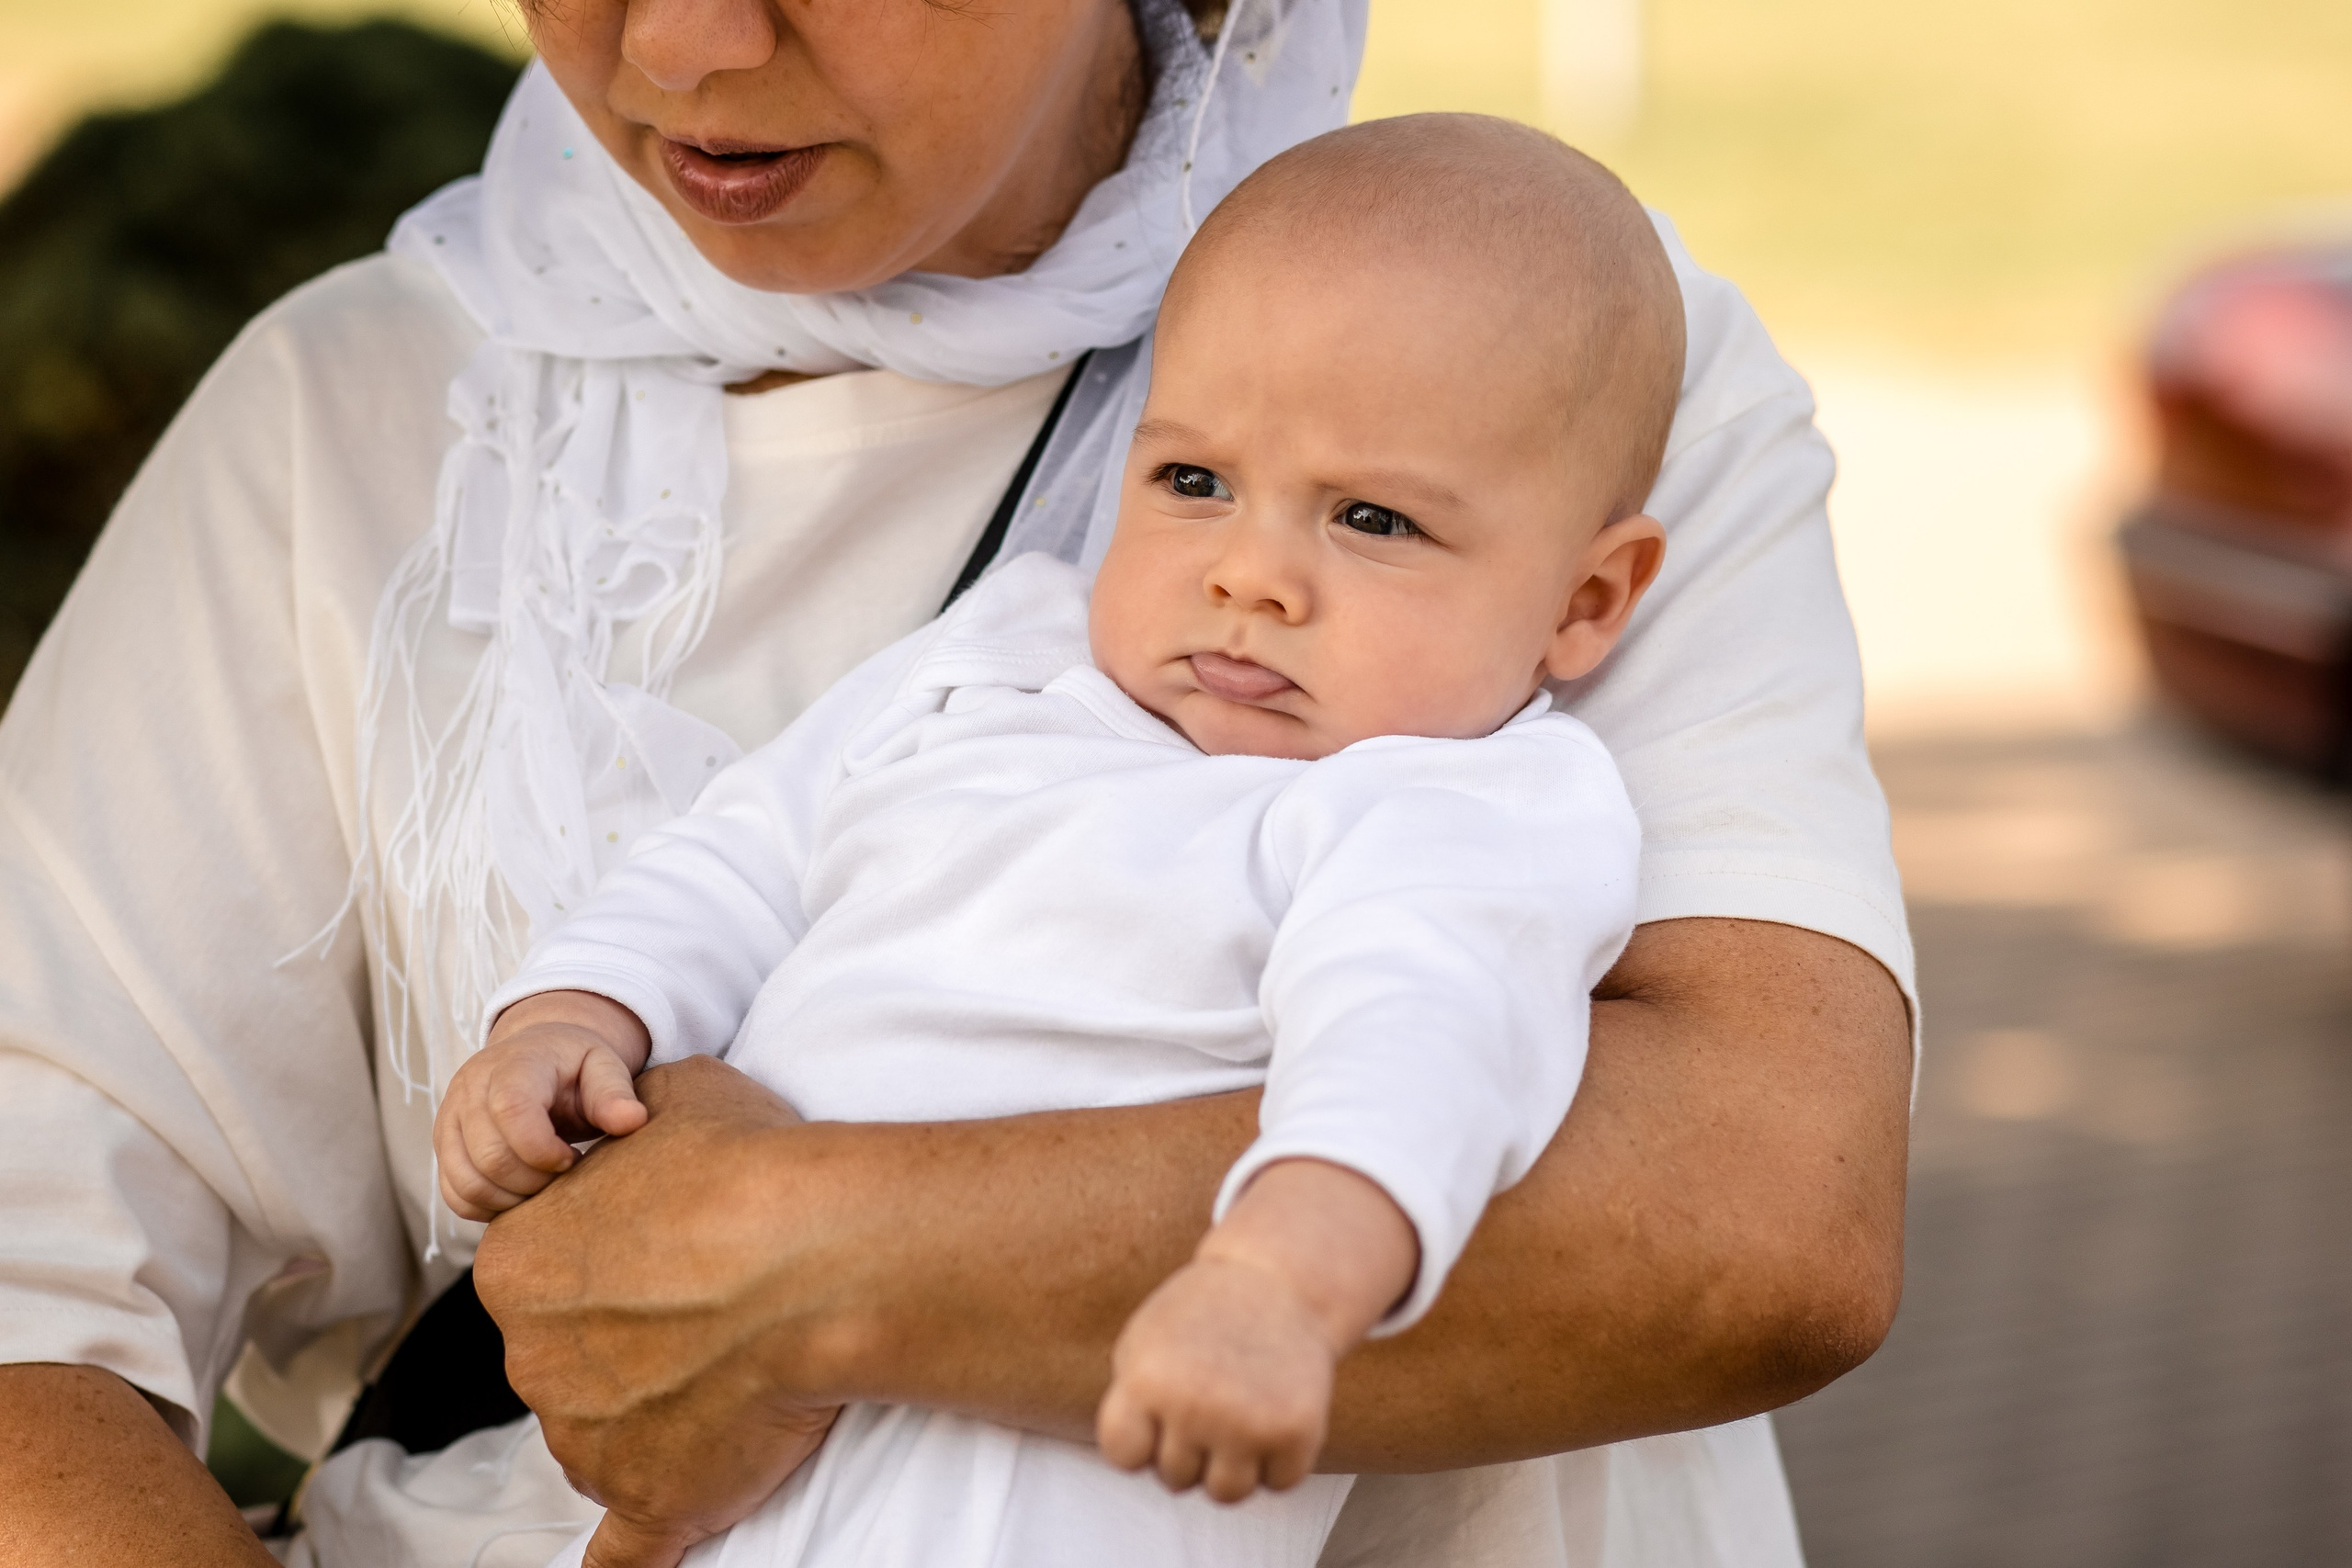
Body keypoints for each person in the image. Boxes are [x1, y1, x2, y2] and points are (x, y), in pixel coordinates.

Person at [0, 1, 1914, 1565]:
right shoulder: (351, 419)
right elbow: (29, 1318)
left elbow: (1762, 1214)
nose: (679, 44)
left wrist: (804, 1259)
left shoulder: (1539, 360)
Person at [438, 114, 1678, 1568]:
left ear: (1589, 601)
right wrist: (575, 1012)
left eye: (1373, 518)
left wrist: (1281, 1286)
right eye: (1194, 481)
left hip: (1043, 1489)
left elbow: (1424, 1050)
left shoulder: (1448, 807)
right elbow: (743, 856)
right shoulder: (1002, 660)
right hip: (711, 1478)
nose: (1250, 576)